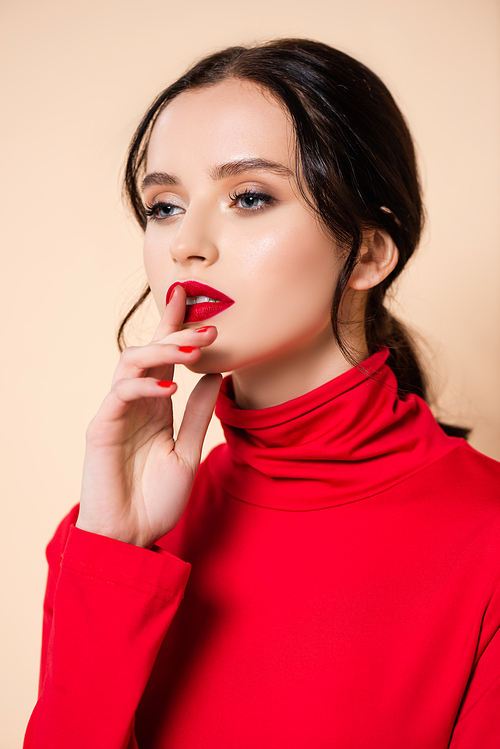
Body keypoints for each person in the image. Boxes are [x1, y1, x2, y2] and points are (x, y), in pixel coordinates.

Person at [24, 39, 500, 748]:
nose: (188, 242)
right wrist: (111, 551)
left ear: (368, 251)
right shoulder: (112, 534)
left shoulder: (485, 540)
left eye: (249, 197)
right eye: (164, 205)